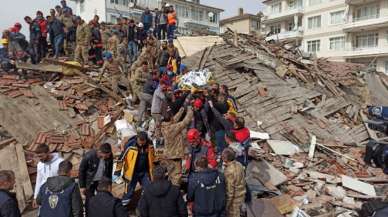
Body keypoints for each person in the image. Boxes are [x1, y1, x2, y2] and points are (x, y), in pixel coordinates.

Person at [116, 131, 155, 206]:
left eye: (143, 142)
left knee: (148, 190)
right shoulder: (130, 145)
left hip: (144, 172)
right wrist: (118, 171)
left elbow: (153, 156)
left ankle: (142, 208)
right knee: (128, 193)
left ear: (146, 140)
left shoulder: (149, 145)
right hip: (132, 173)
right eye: (139, 141)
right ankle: (123, 209)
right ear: (137, 139)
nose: (141, 144)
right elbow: (121, 157)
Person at [160, 105, 194, 186]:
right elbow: (186, 121)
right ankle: (175, 192)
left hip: (167, 155)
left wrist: (181, 111)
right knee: (176, 176)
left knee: (170, 173)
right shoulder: (173, 128)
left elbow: (173, 120)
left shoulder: (163, 126)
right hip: (175, 156)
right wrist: (190, 110)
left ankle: (170, 187)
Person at [78, 143, 113, 214]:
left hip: (101, 181)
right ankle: (89, 214)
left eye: (109, 155)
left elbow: (109, 170)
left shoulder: (109, 156)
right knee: (89, 200)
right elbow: (81, 170)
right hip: (90, 182)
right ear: (100, 152)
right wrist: (82, 186)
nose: (108, 156)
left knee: (104, 198)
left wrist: (109, 183)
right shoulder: (89, 156)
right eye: (106, 155)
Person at [32, 144, 64, 208]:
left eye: (41, 156)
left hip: (57, 194)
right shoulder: (40, 165)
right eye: (38, 156)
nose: (40, 159)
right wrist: (35, 197)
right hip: (44, 194)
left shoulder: (60, 162)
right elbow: (39, 181)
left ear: (48, 152)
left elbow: (64, 179)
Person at [222, 148, 246, 217]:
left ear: (225, 159)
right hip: (241, 196)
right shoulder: (239, 164)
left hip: (234, 201)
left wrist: (226, 206)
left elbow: (230, 192)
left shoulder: (229, 171)